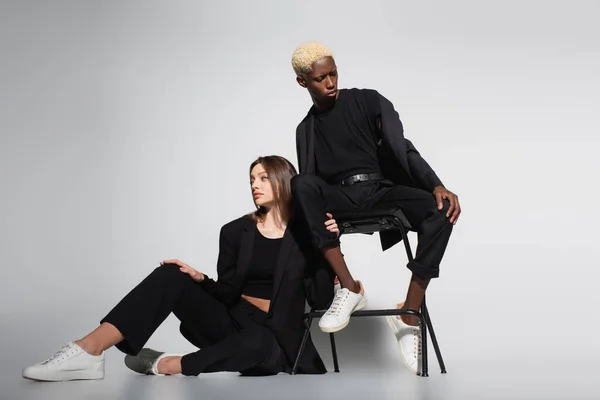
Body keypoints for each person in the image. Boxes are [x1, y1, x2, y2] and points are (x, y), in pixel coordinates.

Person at [22, 155, 337, 381]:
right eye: (251, 179)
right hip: (232, 320)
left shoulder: (308, 233)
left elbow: (321, 300)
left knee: (259, 344)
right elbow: (228, 293)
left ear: (284, 180)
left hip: (275, 335)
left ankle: (167, 364)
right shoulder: (235, 231)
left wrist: (327, 246)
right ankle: (88, 350)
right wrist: (200, 279)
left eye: (263, 178)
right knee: (172, 273)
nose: (254, 184)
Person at [290, 41, 461, 374]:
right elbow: (310, 186)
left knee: (441, 210)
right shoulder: (306, 130)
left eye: (333, 73)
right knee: (299, 184)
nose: (330, 83)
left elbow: (402, 147)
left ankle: (408, 314)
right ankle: (349, 287)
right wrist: (319, 216)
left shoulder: (367, 100)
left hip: (381, 190)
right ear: (302, 82)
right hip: (339, 200)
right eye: (320, 78)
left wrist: (435, 184)